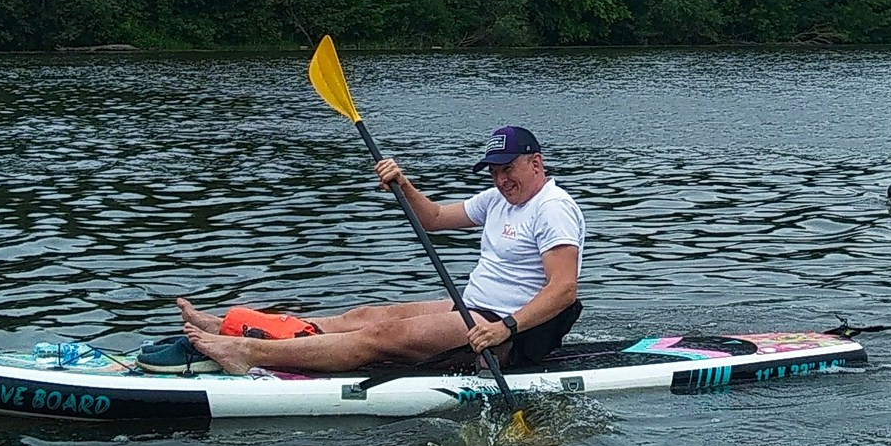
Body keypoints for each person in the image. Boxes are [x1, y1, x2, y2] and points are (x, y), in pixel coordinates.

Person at [173, 126, 585, 374]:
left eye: (508, 169)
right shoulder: (499, 199)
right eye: (494, 171)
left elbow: (564, 289)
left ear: (536, 163)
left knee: (379, 336)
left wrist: (504, 329)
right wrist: (403, 185)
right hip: (474, 309)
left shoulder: (552, 208)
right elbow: (436, 219)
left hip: (507, 334)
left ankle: (248, 352)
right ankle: (234, 326)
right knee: (362, 315)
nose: (500, 180)